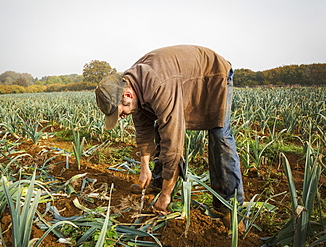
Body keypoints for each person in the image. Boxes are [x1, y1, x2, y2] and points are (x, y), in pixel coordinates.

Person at [95, 45, 244, 219]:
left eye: (120, 112)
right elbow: (143, 131)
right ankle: (157, 182)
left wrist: (166, 196)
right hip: (182, 79)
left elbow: (173, 144)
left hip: (213, 75)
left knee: (220, 136)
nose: (121, 117)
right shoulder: (132, 84)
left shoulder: (158, 84)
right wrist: (144, 168)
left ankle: (228, 206)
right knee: (160, 127)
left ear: (128, 95)